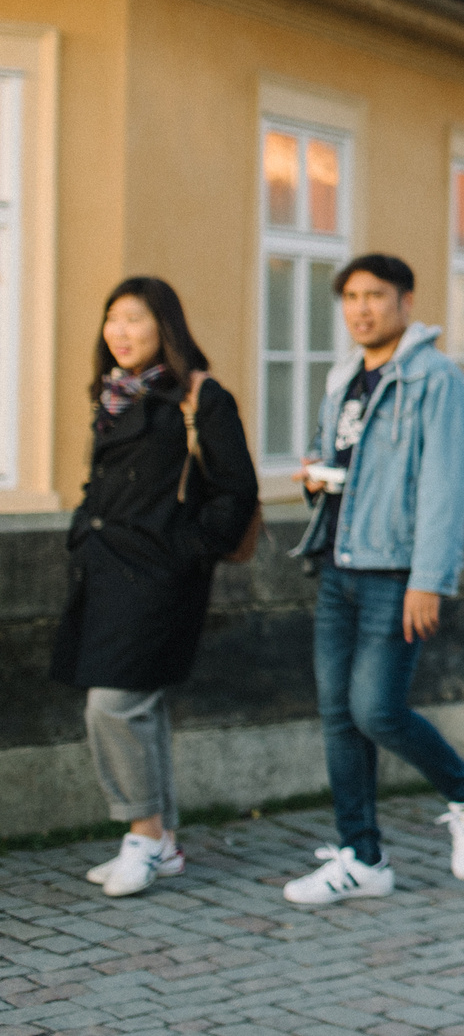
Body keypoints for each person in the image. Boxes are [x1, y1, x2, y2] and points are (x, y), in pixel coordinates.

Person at [279, 252, 464, 905]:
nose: (360, 308)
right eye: (349, 296)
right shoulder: (346, 376)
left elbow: (444, 485)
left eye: (374, 294)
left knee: (375, 708)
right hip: (337, 565)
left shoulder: (434, 379)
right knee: (337, 716)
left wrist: (429, 578)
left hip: (395, 572)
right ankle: (361, 854)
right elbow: (345, 460)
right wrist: (316, 473)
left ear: (406, 301)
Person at [49, 277, 259, 897]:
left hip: (158, 577)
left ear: (164, 326)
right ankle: (161, 842)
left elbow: (237, 491)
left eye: (135, 319)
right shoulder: (111, 397)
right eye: (112, 318)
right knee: (141, 707)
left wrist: (185, 550)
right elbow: (103, 484)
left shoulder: (199, 396)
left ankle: (140, 834)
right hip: (105, 569)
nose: (120, 331)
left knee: (113, 706)